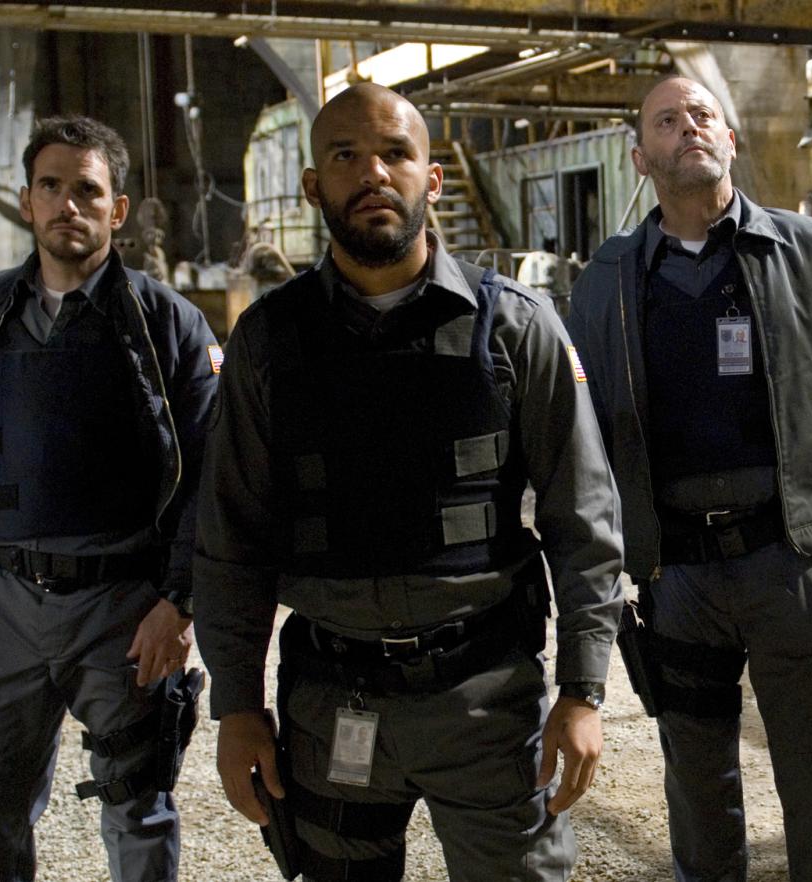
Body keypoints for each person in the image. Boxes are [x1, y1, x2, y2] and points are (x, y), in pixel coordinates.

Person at [194, 83, 624, 881]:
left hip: (486, 702)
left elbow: (583, 517)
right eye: (346, 156)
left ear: (431, 177)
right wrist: (237, 706)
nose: (373, 173)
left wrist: (583, 689)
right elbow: (230, 536)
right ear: (313, 185)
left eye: (395, 153)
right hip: (331, 706)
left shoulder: (514, 326)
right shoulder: (267, 342)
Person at [566, 75, 812, 882]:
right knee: (697, 787)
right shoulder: (608, 282)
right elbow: (574, 430)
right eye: (666, 121)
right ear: (640, 158)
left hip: (792, 562)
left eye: (703, 115)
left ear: (729, 140)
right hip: (677, 578)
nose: (689, 127)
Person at [0, 115, 219, 881]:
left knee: (137, 806)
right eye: (51, 186)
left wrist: (179, 604)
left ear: (118, 208)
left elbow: (209, 476)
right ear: (26, 200)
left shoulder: (166, 322)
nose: (67, 204)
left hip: (123, 607)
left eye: (87, 190)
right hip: (5, 602)